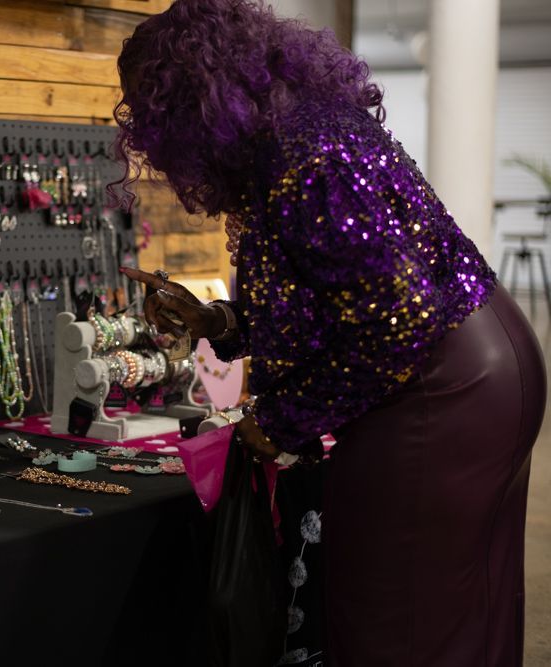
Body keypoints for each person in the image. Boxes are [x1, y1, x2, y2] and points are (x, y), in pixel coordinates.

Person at [112, 1, 547, 665]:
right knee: (462, 611)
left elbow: (398, 321)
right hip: (478, 362)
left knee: (392, 620)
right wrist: (219, 322)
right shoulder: (297, 134)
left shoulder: (305, 156)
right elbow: (342, 296)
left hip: (441, 387)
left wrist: (280, 420)